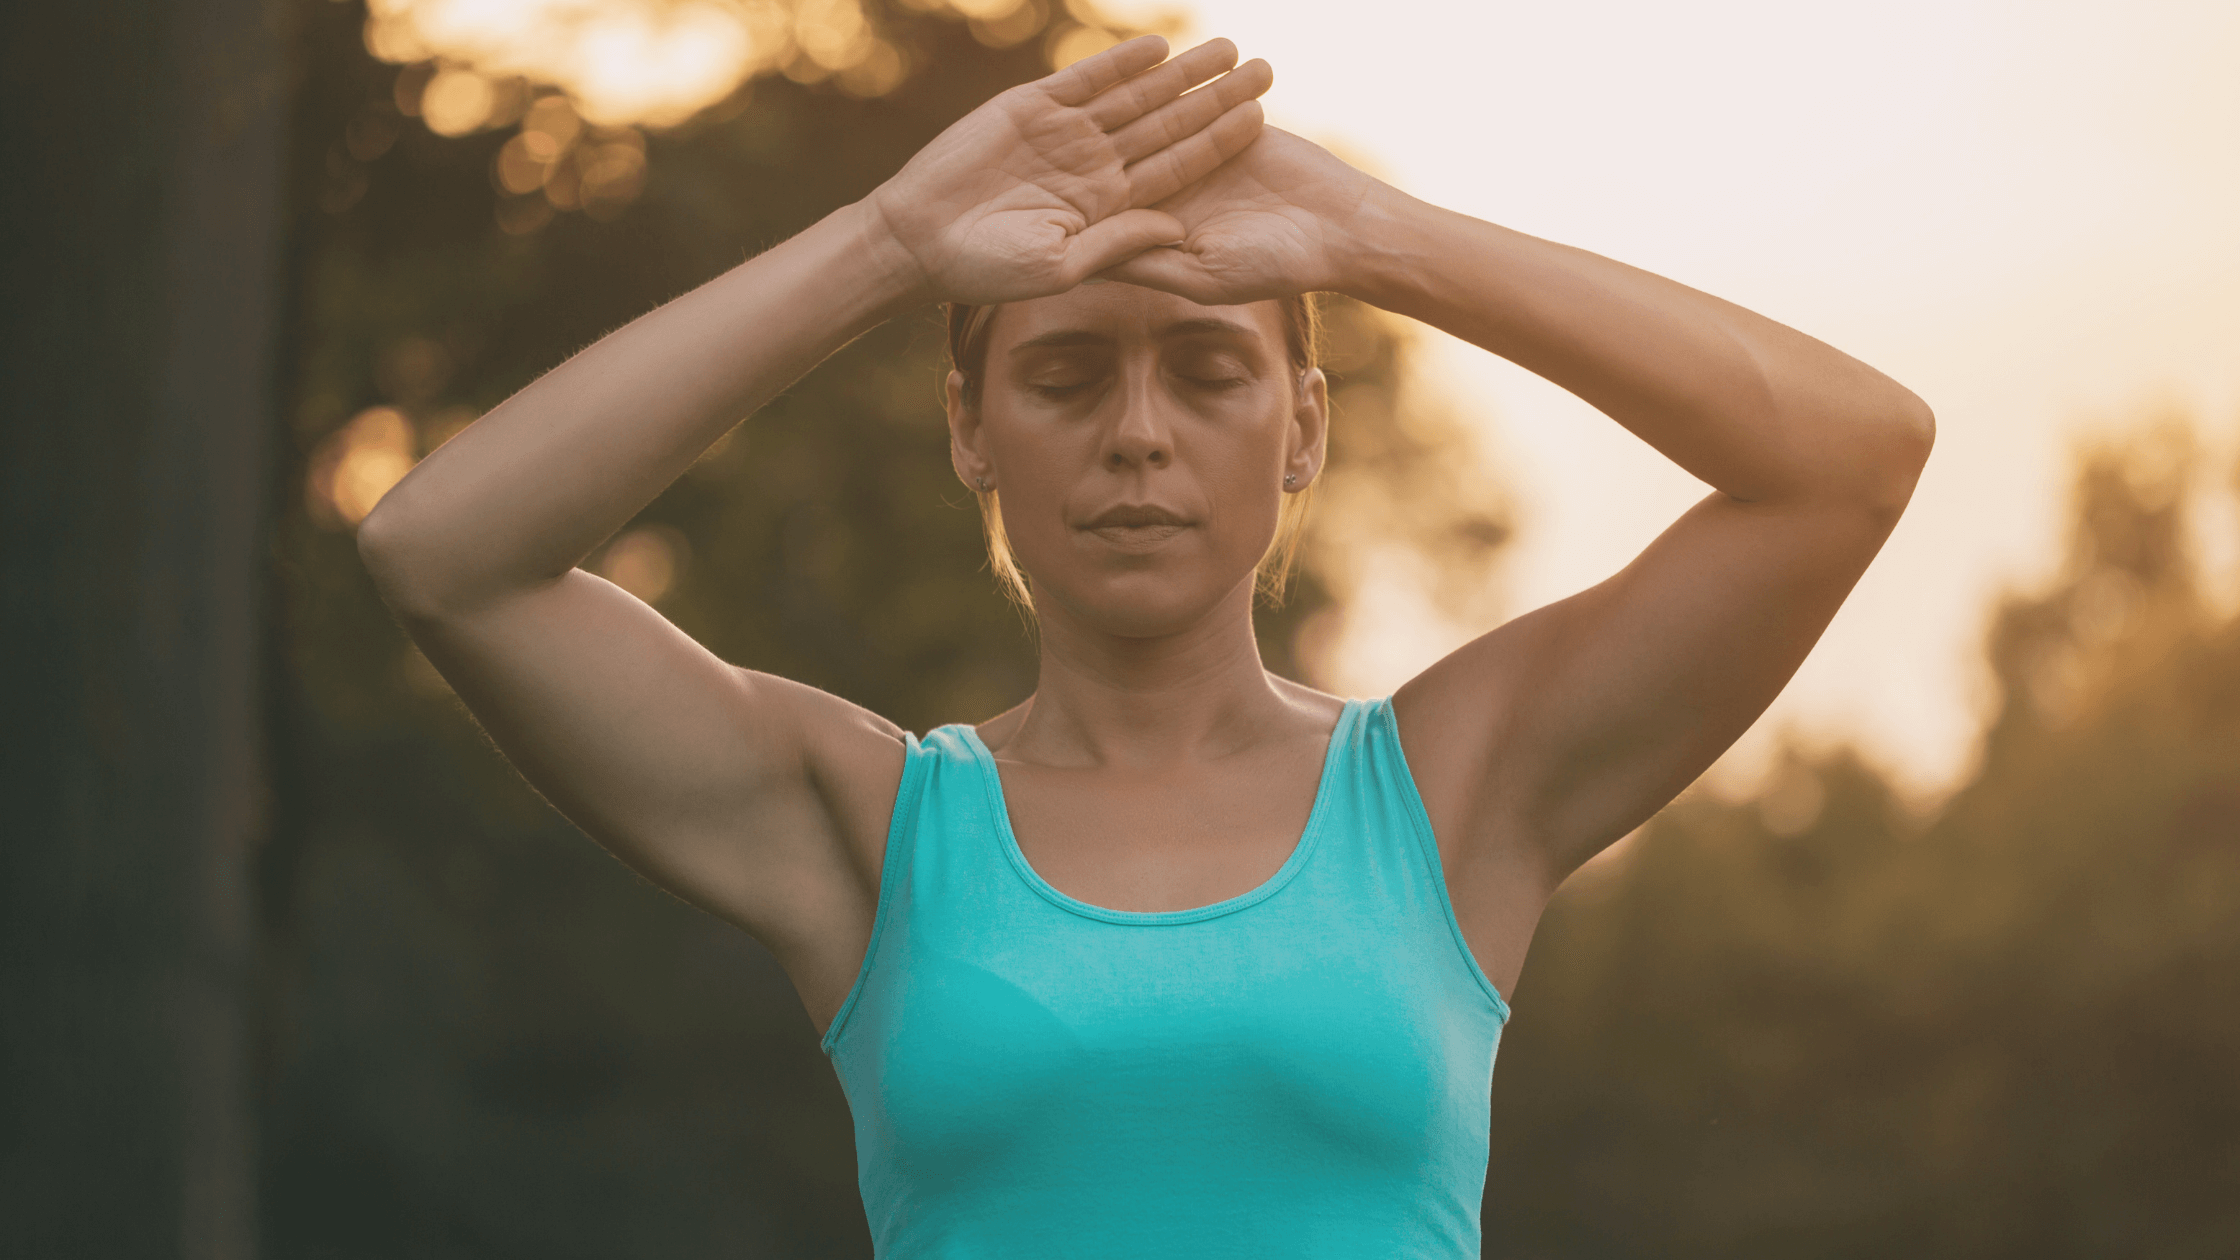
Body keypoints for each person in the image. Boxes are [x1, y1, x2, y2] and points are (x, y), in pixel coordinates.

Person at [358, 33, 1934, 1259]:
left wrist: (1376, 236)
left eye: (1206, 371)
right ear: (970, 427)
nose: (1136, 436)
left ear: (1302, 425)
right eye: (1063, 377)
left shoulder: (1456, 791)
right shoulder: (865, 827)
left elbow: (1853, 458)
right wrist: (894, 243)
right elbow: (445, 554)